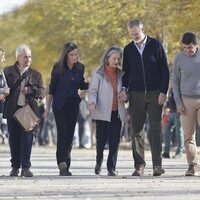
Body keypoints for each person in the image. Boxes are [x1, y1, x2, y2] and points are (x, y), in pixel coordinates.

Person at [120, 18, 169, 176]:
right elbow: (125, 73)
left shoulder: (155, 45)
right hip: (136, 94)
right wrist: (124, 89)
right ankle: (139, 165)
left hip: (155, 93)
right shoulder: (128, 49)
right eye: (131, 34)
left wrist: (163, 91)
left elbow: (164, 70)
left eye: (136, 33)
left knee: (155, 129)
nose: (134, 36)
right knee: (137, 130)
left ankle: (157, 165)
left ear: (142, 29)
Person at [45, 42, 88, 176]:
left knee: (70, 135)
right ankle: (61, 162)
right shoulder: (58, 67)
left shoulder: (80, 67)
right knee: (62, 132)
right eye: (72, 55)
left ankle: (66, 165)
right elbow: (52, 89)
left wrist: (95, 84)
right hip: (59, 105)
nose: (74, 57)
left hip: (73, 104)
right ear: (66, 55)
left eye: (76, 54)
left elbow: (81, 84)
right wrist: (47, 108)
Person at [3, 44, 45, 177]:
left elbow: (42, 92)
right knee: (14, 140)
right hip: (12, 111)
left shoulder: (36, 74)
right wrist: (4, 92)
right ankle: (15, 167)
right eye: (25, 57)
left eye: (29, 57)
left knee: (27, 140)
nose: (28, 59)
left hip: (29, 112)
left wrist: (30, 90)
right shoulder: (7, 72)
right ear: (18, 57)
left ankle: (26, 167)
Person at [88, 46, 126, 176]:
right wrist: (92, 102)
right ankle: (99, 162)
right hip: (102, 111)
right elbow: (92, 91)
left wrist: (125, 95)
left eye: (118, 59)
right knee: (101, 140)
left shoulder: (121, 74)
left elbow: (126, 90)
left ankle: (111, 167)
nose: (116, 61)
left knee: (115, 141)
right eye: (114, 58)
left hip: (117, 112)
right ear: (107, 59)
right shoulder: (99, 72)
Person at [172, 32, 200, 176]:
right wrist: (178, 101)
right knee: (189, 136)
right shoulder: (179, 59)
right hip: (186, 101)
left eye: (190, 47)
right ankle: (192, 165)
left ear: (196, 45)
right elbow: (175, 82)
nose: (187, 50)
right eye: (185, 48)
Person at [162, 87, 184, 159]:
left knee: (179, 131)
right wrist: (167, 107)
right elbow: (170, 99)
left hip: (179, 112)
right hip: (171, 112)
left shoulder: (180, 85)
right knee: (167, 131)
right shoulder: (171, 88)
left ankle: (179, 152)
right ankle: (166, 152)